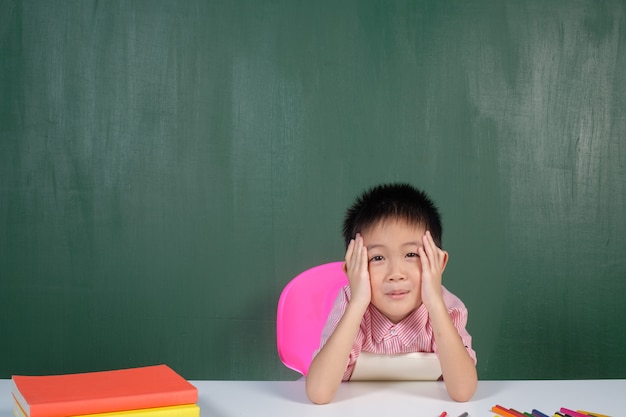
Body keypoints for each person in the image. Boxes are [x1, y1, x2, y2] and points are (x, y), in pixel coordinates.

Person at [305, 183, 477, 404]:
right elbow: (319, 393)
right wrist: (358, 303)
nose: (396, 274)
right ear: (352, 269)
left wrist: (434, 302)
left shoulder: (447, 306)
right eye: (377, 258)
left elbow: (463, 392)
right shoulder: (351, 302)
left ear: (439, 262)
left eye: (411, 254)